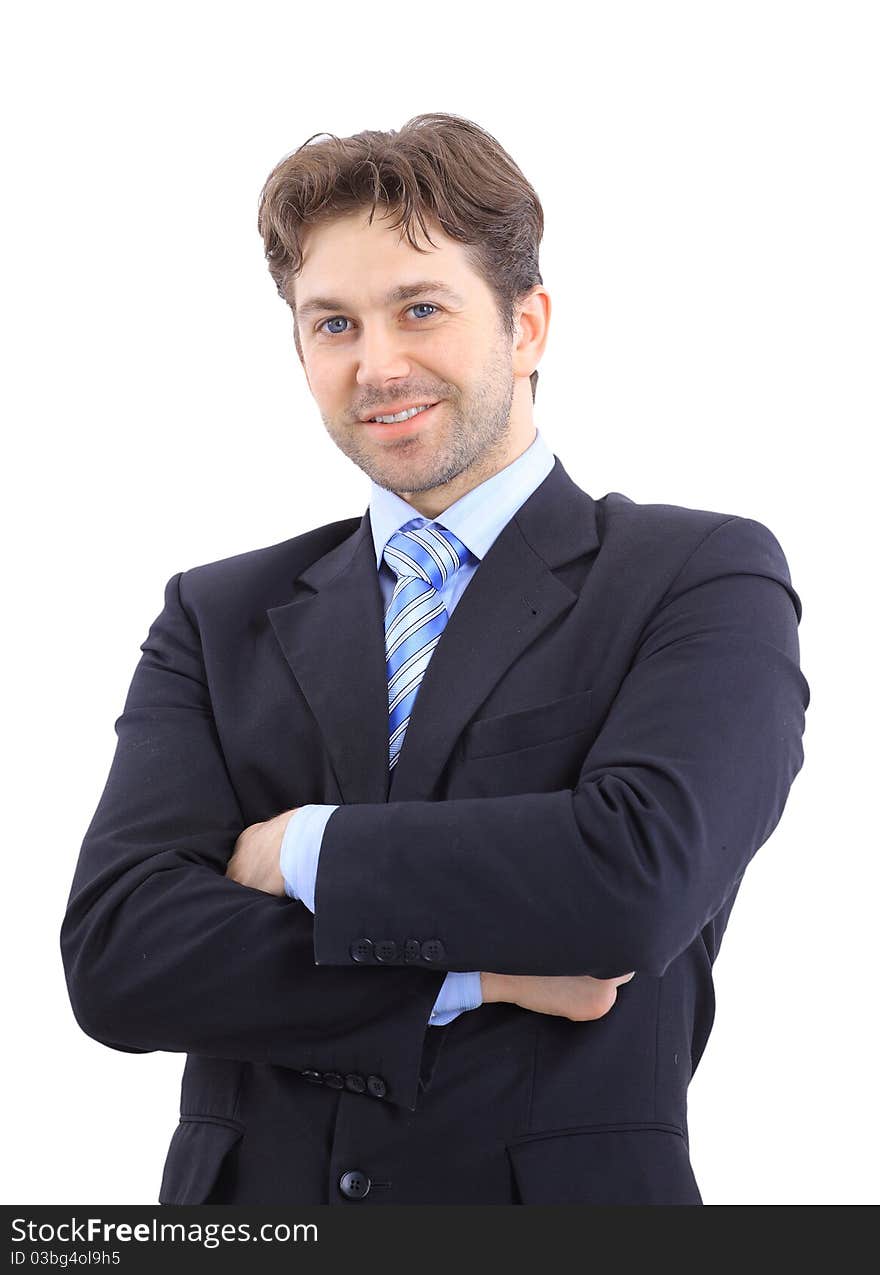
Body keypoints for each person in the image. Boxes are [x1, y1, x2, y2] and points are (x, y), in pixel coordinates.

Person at [60, 112, 810, 1206]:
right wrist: (474, 972)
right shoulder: (216, 615)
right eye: (332, 325)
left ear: (527, 325)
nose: (377, 364)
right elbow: (120, 956)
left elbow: (635, 880)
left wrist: (306, 851)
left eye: (420, 309)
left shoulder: (697, 575)